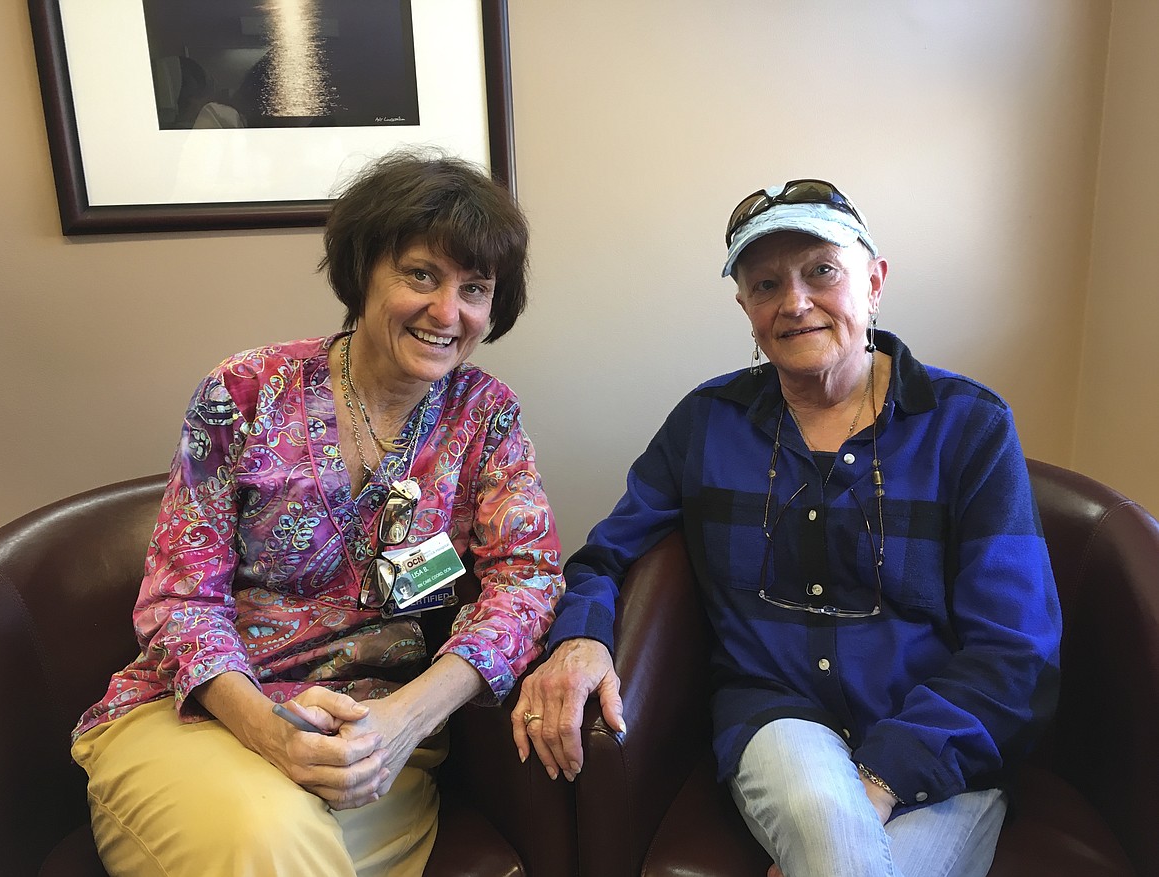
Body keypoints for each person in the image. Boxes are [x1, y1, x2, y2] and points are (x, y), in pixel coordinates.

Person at [514, 179, 1062, 877]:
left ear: (874, 280)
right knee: (832, 837)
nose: (795, 302)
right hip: (778, 718)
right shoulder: (704, 424)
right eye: (766, 283)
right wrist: (582, 635)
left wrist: (881, 780)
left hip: (942, 734)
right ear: (746, 308)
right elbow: (605, 554)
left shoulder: (969, 427)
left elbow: (1017, 646)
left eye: (821, 272)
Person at [71, 151, 564, 877]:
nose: (447, 311)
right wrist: (268, 731)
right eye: (421, 274)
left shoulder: (484, 416)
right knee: (269, 840)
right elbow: (180, 599)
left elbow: (527, 582)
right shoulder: (244, 392)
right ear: (364, 271)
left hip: (371, 738)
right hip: (204, 713)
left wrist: (407, 721)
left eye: (476, 288)